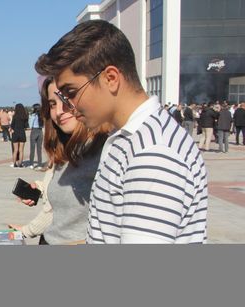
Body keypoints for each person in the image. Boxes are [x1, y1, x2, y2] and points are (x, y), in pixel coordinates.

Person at [36, 19, 207, 244]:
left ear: (111, 78)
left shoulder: (153, 152)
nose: (70, 105)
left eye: (71, 92)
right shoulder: (128, 138)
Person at [9, 77, 108, 244]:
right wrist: (41, 188)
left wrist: (26, 230)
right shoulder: (66, 148)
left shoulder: (103, 151)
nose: (59, 111)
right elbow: (63, 195)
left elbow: (52, 212)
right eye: (53, 104)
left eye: (65, 99)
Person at [10, 103, 28, 168]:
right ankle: (20, 163)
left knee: (15, 150)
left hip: (15, 133)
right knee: (21, 150)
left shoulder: (14, 116)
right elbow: (26, 126)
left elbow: (12, 125)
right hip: (22, 133)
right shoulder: (25, 116)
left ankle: (14, 163)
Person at [28, 103, 44, 169]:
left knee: (32, 148)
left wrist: (30, 117)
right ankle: (39, 164)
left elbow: (30, 125)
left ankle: (31, 164)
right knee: (39, 149)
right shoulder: (42, 116)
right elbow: (43, 125)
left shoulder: (33, 115)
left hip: (34, 131)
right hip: (40, 131)